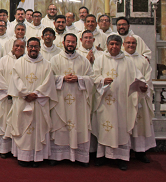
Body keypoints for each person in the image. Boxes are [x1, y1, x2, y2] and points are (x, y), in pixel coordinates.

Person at [91, 35, 146, 170]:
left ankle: (121, 158)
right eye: (111, 44)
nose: (114, 46)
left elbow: (139, 77)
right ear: (108, 45)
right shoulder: (100, 60)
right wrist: (102, 80)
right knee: (105, 128)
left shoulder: (128, 62)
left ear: (121, 46)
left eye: (116, 44)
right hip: (105, 101)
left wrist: (142, 86)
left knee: (121, 129)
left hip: (123, 103)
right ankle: (102, 156)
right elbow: (93, 76)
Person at [6, 37, 57, 167]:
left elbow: (48, 82)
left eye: (36, 46)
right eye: (31, 46)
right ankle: (23, 157)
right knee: (23, 128)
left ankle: (37, 157)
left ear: (40, 48)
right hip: (23, 102)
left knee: (38, 129)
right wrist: (26, 94)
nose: (33, 49)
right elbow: (16, 80)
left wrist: (37, 94)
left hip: (39, 102)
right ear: (27, 47)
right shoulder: (19, 63)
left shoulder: (46, 64)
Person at [49, 34, 93, 166]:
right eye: (68, 41)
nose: (70, 44)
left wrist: (79, 79)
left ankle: (80, 156)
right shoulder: (55, 60)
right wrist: (62, 78)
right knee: (59, 126)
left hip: (79, 102)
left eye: (73, 42)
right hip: (60, 101)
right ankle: (57, 156)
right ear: (63, 42)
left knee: (79, 125)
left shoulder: (84, 61)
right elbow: (49, 78)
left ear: (76, 43)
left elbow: (91, 79)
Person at [123, 36, 156, 162]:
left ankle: (140, 152)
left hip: (140, 98)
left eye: (133, 43)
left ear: (137, 45)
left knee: (140, 126)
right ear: (123, 44)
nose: (131, 45)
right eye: (128, 43)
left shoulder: (142, 60)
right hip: (125, 98)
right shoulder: (121, 59)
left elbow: (148, 77)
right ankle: (126, 150)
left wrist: (145, 87)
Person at [0, 39, 25, 158]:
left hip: (21, 100)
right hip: (7, 99)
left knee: (19, 124)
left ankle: (17, 150)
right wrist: (10, 93)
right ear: (12, 46)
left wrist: (20, 94)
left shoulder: (27, 62)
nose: (19, 48)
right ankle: (4, 149)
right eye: (17, 45)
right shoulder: (4, 60)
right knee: (5, 122)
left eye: (22, 46)